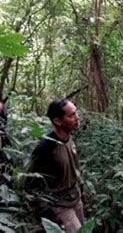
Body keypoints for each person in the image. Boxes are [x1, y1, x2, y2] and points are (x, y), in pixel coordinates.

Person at [28, 99, 84, 232]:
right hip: (59, 206)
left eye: (76, 113)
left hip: (75, 198)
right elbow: (32, 183)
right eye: (71, 115)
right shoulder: (46, 148)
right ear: (58, 121)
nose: (77, 118)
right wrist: (47, 212)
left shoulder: (69, 137)